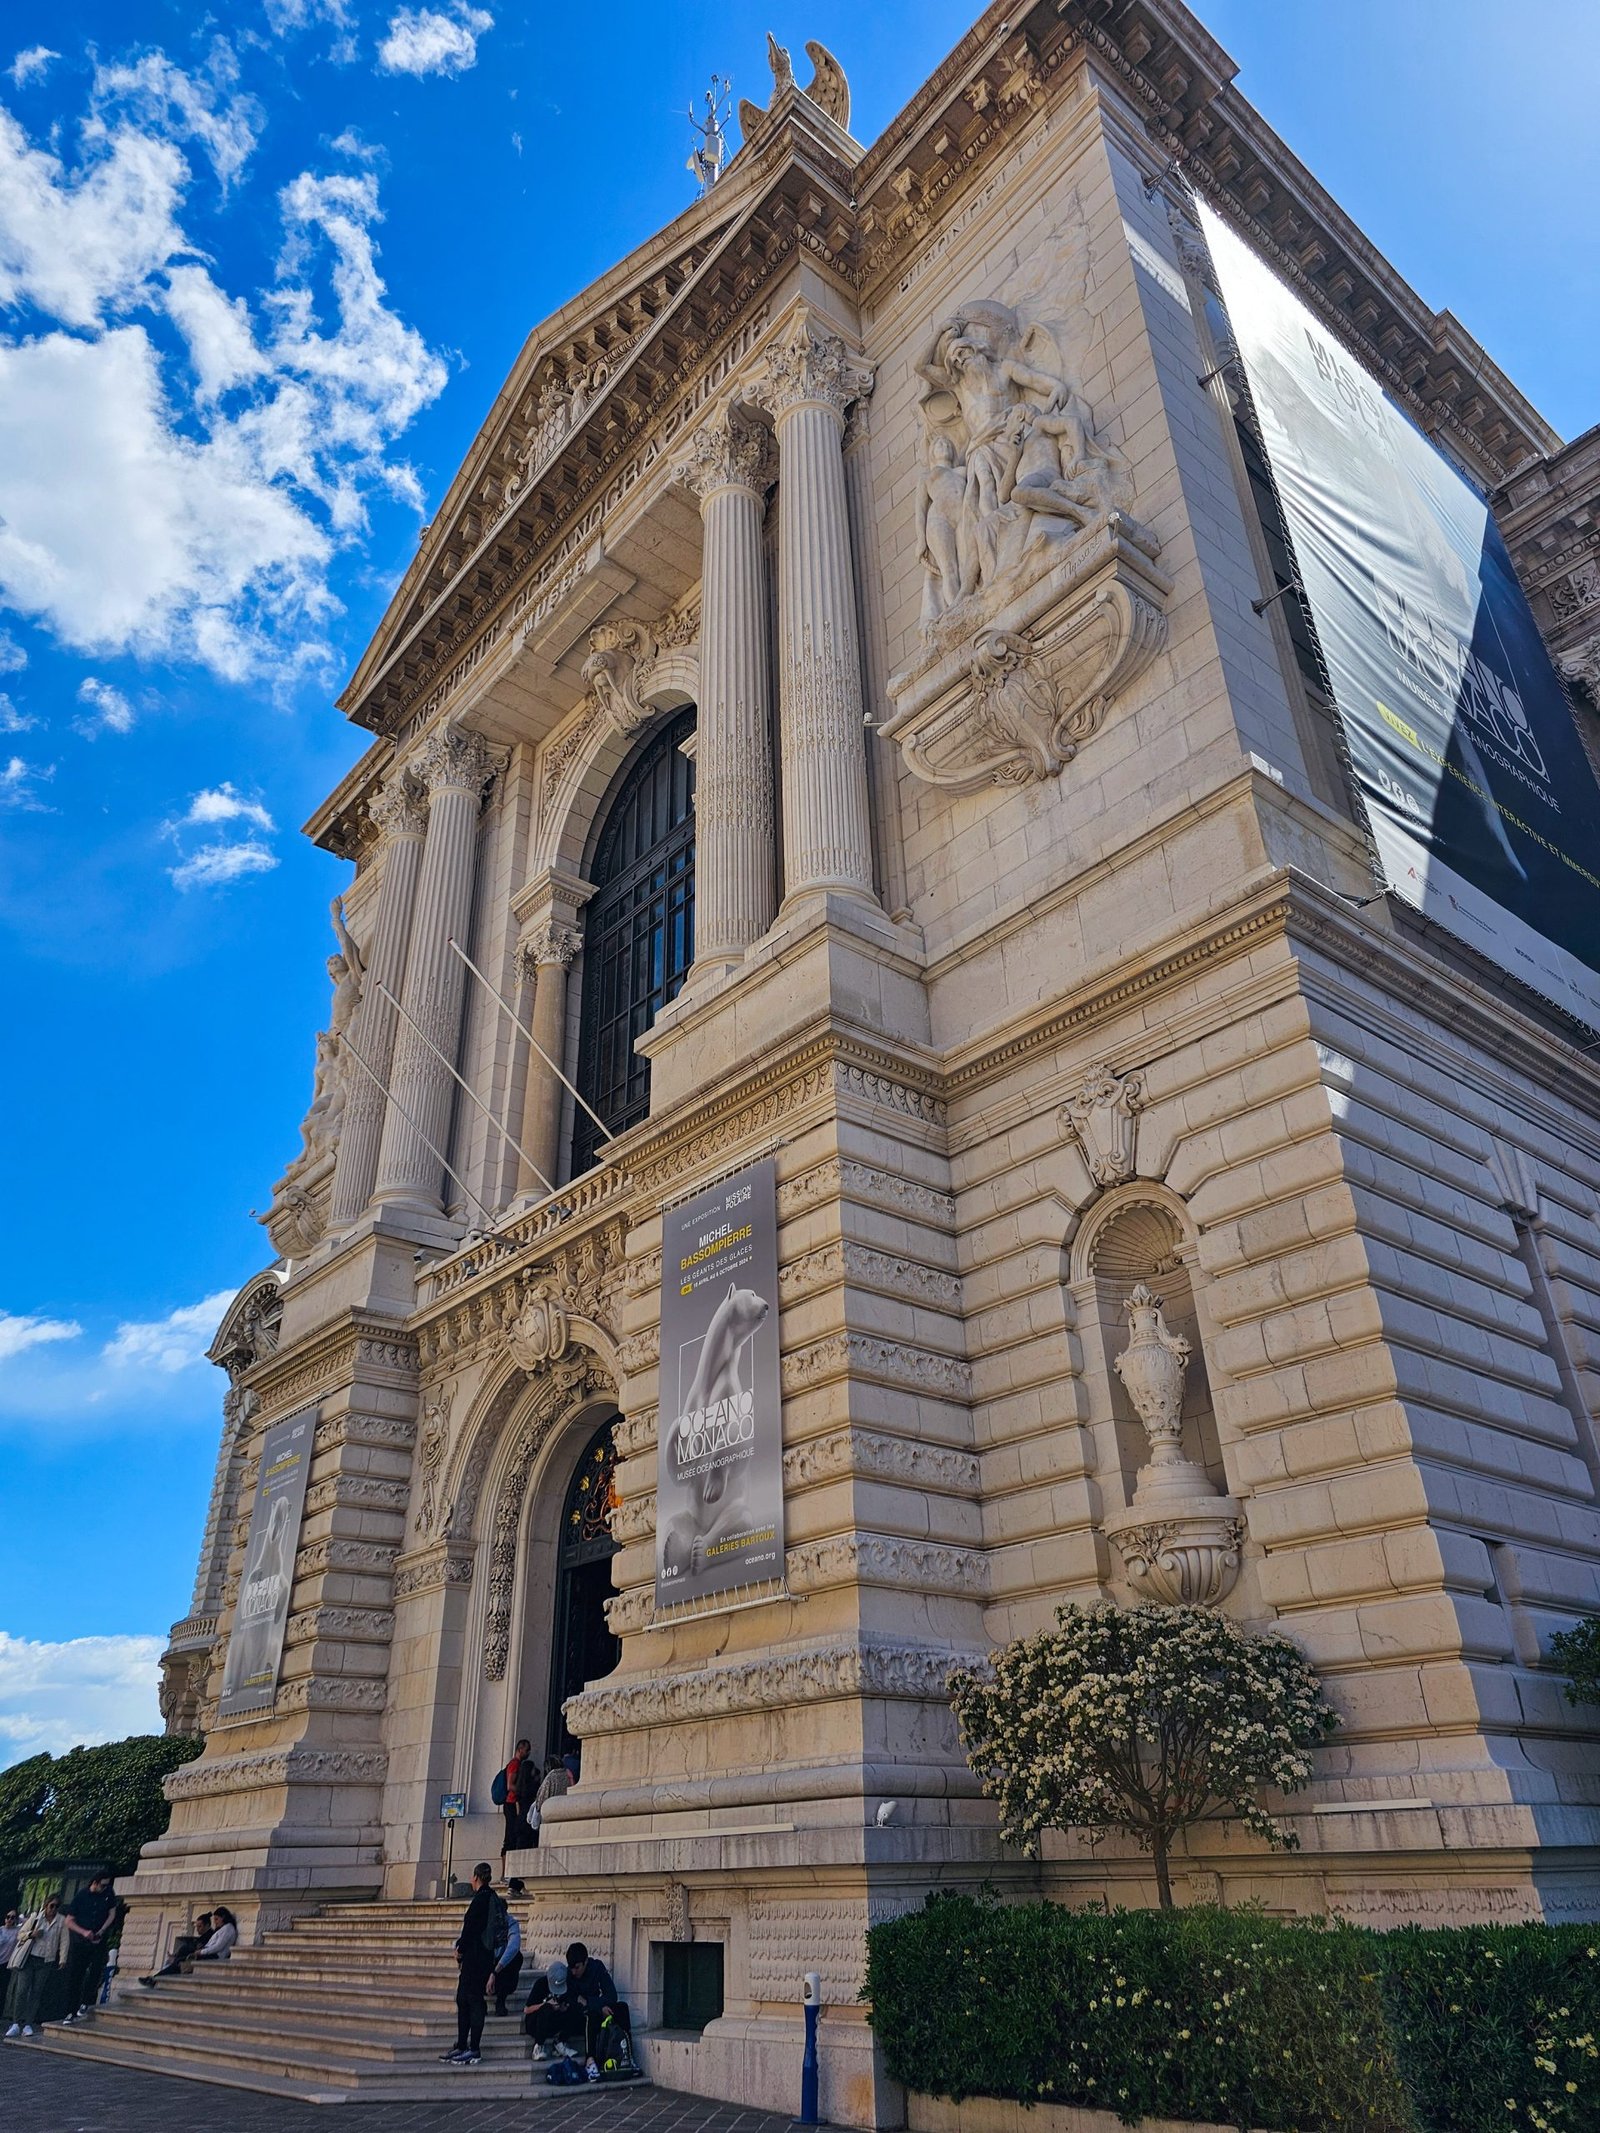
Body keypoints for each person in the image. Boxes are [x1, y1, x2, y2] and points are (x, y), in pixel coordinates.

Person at [440, 1863, 501, 2068]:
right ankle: (464, 2044)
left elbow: (470, 1929)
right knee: (465, 1999)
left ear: (476, 1877)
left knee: (471, 2001)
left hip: (476, 1958)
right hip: (484, 1956)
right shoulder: (491, 1898)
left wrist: (460, 1949)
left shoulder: (481, 1900)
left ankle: (472, 2048)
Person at [564, 1940, 631, 2081]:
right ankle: (590, 2060)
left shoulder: (597, 1968)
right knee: (590, 2014)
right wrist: (596, 2006)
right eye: (571, 1968)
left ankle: (628, 2055)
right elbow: (573, 2000)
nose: (574, 1972)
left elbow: (611, 1995)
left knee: (622, 2008)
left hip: (600, 2008)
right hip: (580, 2017)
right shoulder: (569, 1975)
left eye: (577, 1967)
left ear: (585, 1962)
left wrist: (592, 2003)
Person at [5, 1893, 69, 2037]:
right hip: (29, 1958)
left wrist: (62, 1959)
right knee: (22, 1990)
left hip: (46, 1959)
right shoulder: (36, 1918)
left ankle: (28, 2023)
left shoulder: (61, 1921)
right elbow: (20, 1934)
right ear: (46, 1905)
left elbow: (64, 1941)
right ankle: (16, 2022)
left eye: (56, 1907)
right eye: (51, 1906)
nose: (53, 1909)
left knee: (36, 1992)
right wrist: (31, 1934)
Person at [59, 1871, 116, 2025]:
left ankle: (86, 2002)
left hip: (98, 1938)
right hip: (81, 1941)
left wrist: (102, 1930)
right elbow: (69, 1921)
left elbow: (112, 1913)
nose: (105, 1887)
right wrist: (84, 1932)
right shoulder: (81, 1896)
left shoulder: (108, 1893)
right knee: (76, 1976)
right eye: (102, 1885)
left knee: (96, 1970)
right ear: (95, 1882)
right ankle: (70, 2011)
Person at [140, 1907, 232, 1986]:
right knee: (180, 1959)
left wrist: (201, 1952)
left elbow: (218, 1947)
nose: (215, 1923)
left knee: (179, 1962)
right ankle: (155, 1978)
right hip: (209, 1954)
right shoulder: (224, 1929)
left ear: (223, 1917)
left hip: (214, 1956)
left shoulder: (228, 1928)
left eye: (216, 1919)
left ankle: (155, 1978)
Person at [497, 1739, 536, 1884]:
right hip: (511, 1803)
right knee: (510, 1838)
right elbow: (510, 1785)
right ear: (520, 1750)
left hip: (513, 1804)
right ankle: (505, 1874)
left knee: (513, 1837)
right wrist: (522, 1790)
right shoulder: (515, 1764)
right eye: (527, 1750)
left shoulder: (516, 1764)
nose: (529, 1752)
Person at [490, 1903, 522, 2016]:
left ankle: (500, 2002)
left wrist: (495, 1971)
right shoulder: (486, 1922)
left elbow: (513, 1946)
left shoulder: (510, 1922)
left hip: (502, 1972)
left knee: (516, 1957)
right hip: (487, 1967)